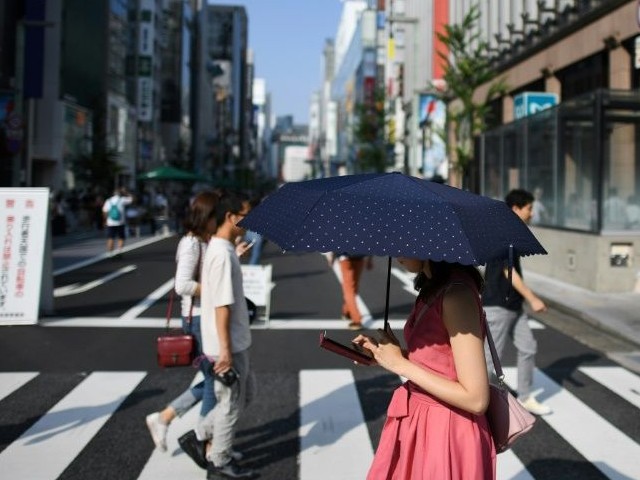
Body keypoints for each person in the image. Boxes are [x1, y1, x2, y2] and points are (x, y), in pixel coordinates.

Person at [352, 258, 495, 479]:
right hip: (424, 420)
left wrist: (400, 364)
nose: (396, 251)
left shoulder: (457, 295)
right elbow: (439, 363)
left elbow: (476, 399)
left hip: (447, 429)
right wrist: (387, 356)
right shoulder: (435, 286)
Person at [198, 191, 257, 479]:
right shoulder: (221, 255)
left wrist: (238, 256)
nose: (249, 220)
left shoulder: (223, 250)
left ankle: (201, 434)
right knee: (231, 404)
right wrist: (225, 350)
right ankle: (219, 461)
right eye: (245, 214)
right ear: (231, 217)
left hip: (234, 341)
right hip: (228, 345)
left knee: (244, 396)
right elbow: (222, 306)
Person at [482, 188, 551, 416]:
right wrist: (533, 298)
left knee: (528, 347)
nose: (532, 213)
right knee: (491, 360)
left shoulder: (511, 231)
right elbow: (507, 270)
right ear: (515, 209)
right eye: (529, 208)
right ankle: (480, 404)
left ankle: (525, 396)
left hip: (512, 305)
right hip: (497, 305)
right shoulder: (505, 233)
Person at [326, 252, 373, 330]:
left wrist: (332, 258)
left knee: (348, 290)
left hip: (345, 258)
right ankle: (346, 312)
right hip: (359, 257)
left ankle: (356, 320)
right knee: (354, 287)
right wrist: (370, 259)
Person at [102, 187, 133, 255]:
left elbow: (104, 211)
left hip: (110, 222)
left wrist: (105, 220)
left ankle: (110, 253)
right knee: (121, 237)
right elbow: (131, 200)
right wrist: (126, 192)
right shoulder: (122, 199)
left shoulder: (108, 200)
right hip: (120, 222)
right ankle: (119, 251)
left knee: (110, 238)